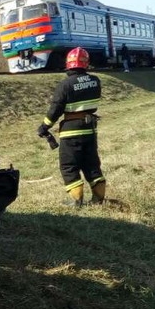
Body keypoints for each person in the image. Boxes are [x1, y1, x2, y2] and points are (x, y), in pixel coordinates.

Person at [36, 46, 106, 207]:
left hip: (71, 131)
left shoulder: (65, 85)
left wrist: (44, 127)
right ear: (86, 64)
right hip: (90, 129)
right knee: (92, 164)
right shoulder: (95, 81)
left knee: (68, 165)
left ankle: (76, 201)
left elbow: (56, 109)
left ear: (68, 64)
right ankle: (98, 199)